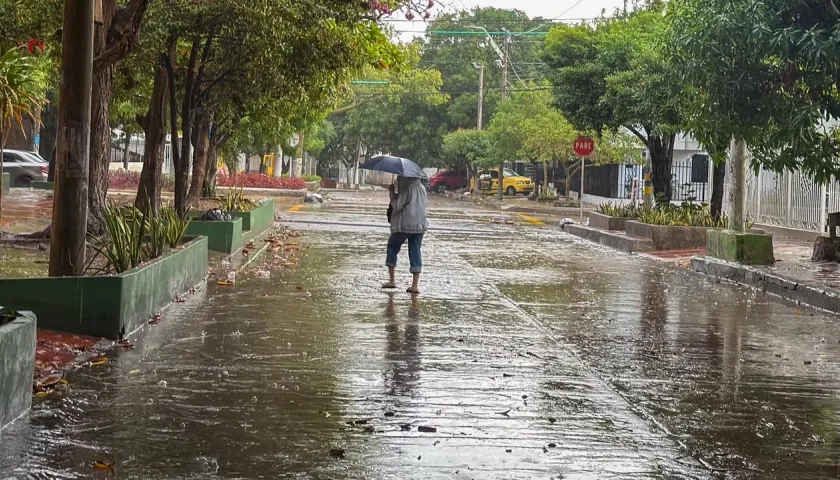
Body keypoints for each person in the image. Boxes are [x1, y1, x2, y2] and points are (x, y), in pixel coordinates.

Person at [382, 175, 428, 294]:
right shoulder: (421, 187)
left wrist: (392, 193)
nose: (398, 180)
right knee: (415, 251)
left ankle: (392, 280)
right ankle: (415, 285)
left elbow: (397, 206)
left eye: (399, 178)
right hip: (420, 225)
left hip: (405, 225)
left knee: (392, 247)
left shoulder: (407, 189)